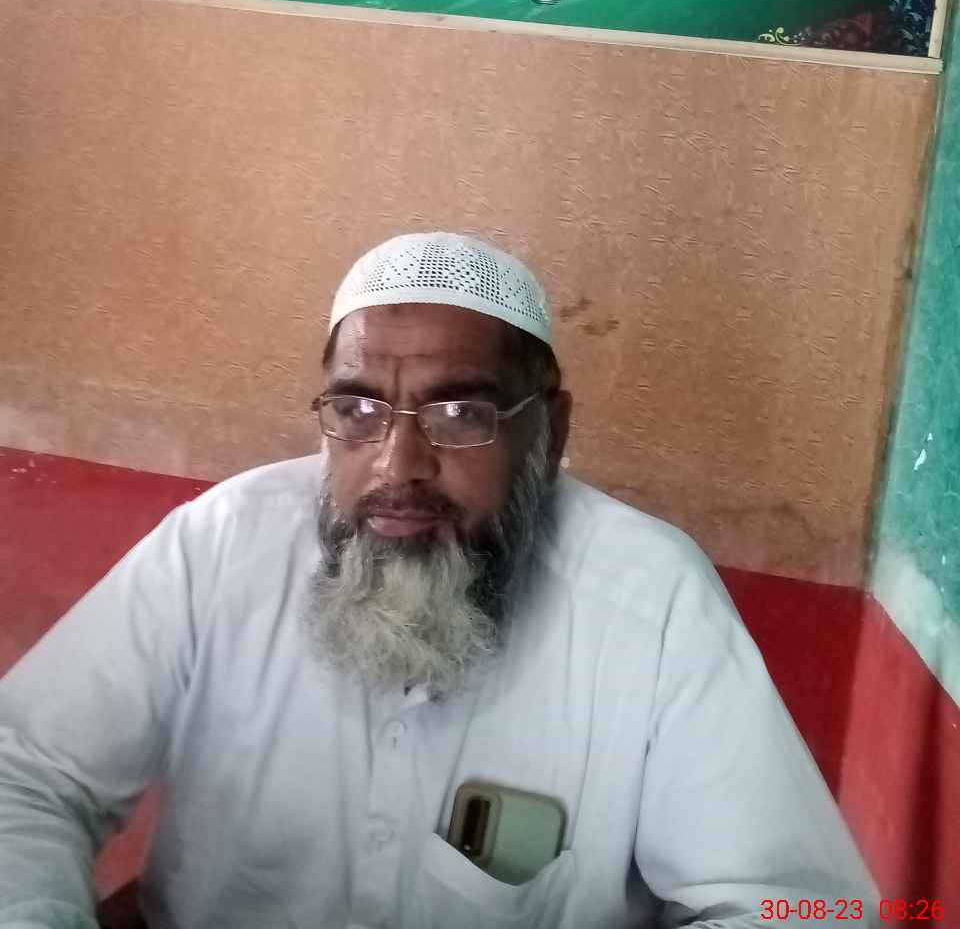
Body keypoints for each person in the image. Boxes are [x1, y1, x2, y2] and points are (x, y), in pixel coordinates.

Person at [0, 232, 877, 928]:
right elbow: (23, 772)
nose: (398, 465)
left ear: (549, 433)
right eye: (358, 410)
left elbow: (801, 908)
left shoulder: (650, 603)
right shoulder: (223, 545)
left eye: (460, 413)